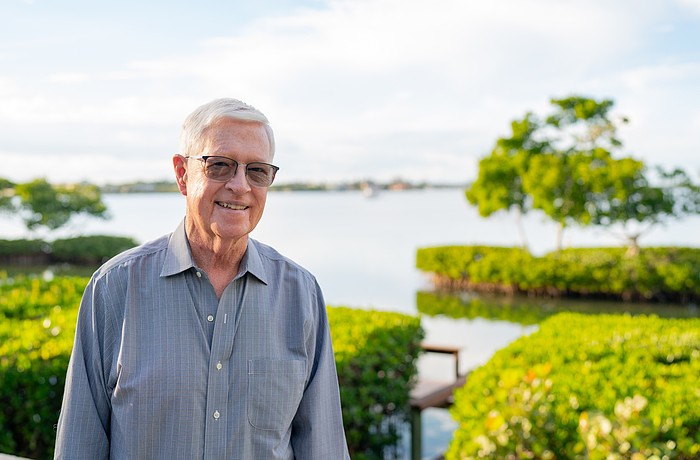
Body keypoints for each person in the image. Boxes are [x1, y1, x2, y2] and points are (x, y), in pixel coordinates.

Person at [54, 98, 350, 459]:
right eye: (220, 165)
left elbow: (323, 449)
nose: (240, 186)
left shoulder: (301, 294)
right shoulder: (114, 289)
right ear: (182, 173)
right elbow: (78, 447)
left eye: (257, 171)